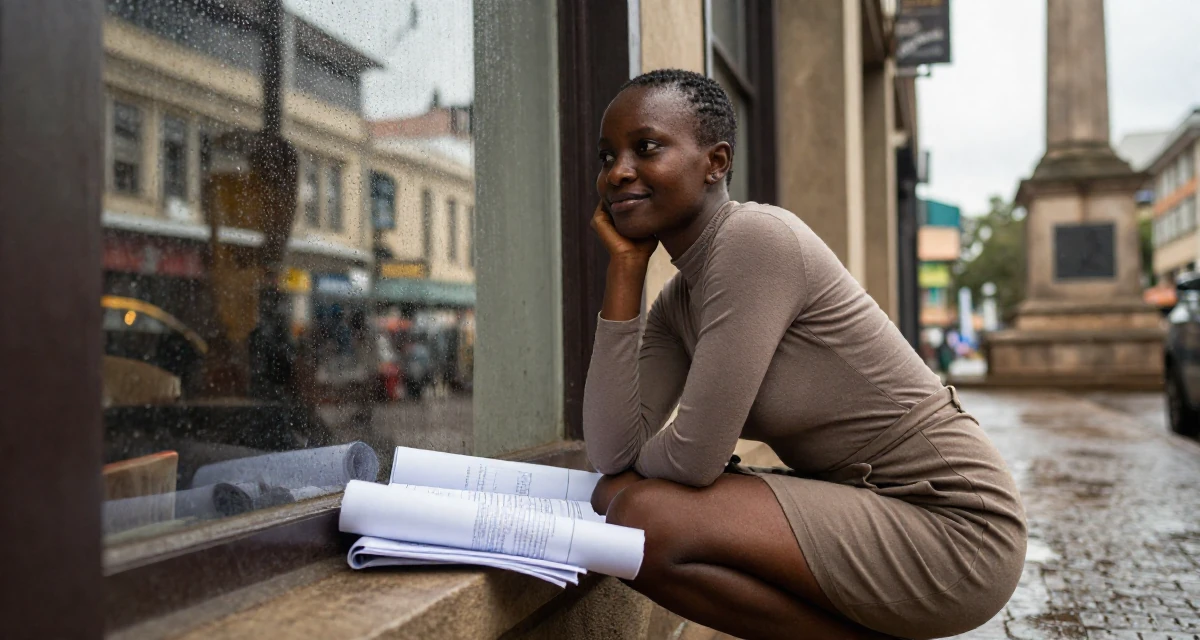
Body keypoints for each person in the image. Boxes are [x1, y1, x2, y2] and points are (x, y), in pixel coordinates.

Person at [583, 69, 1026, 640]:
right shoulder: (682, 298)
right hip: (867, 505)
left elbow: (693, 456)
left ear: (716, 162)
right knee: (618, 502)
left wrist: (635, 477)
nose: (618, 172)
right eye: (606, 156)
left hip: (956, 528)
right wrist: (625, 269)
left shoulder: (755, 240)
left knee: (642, 519)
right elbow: (612, 449)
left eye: (645, 148)